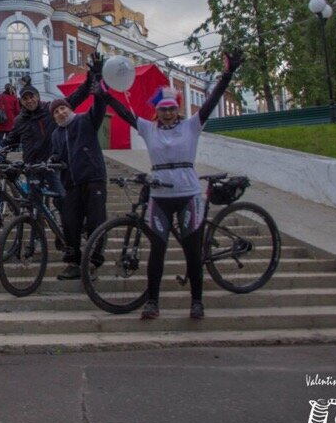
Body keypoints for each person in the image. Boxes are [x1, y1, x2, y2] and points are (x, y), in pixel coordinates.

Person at [100, 50, 243, 320]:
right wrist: (104, 92)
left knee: (192, 251)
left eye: (171, 109)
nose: (167, 113)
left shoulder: (191, 126)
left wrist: (228, 74)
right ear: (156, 111)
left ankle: (197, 302)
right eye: (162, 109)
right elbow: (123, 113)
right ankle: (152, 302)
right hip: (159, 197)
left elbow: (211, 102)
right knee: (157, 251)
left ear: (178, 108)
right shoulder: (148, 128)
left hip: (188, 194)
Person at [49, 54, 107, 280]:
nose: (60, 113)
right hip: (70, 184)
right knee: (69, 223)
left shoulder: (85, 120)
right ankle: (73, 263)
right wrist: (54, 159)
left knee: (95, 222)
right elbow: (57, 154)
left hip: (92, 178)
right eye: (56, 112)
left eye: (62, 109)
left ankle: (93, 263)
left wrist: (99, 78)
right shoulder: (56, 133)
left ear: (68, 109)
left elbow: (99, 104)